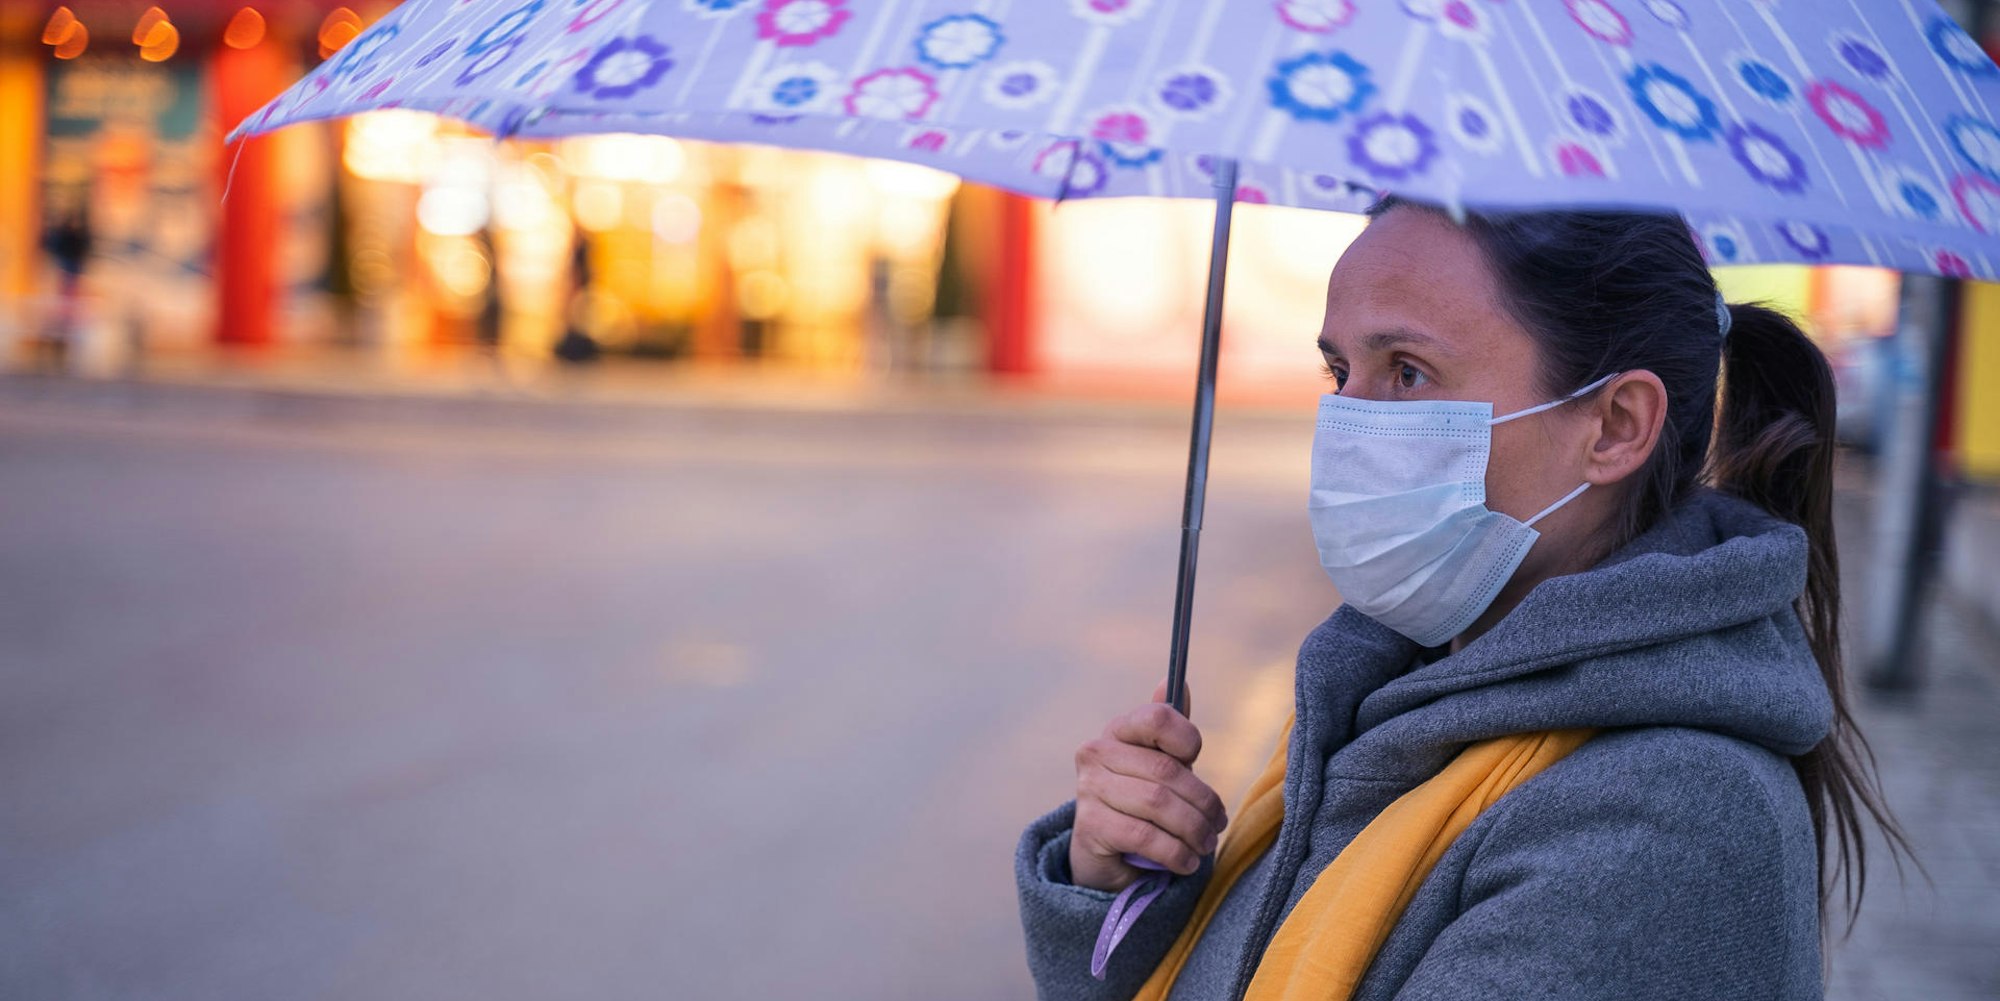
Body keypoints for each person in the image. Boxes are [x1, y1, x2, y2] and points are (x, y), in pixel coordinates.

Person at [1015, 200, 1911, 1001]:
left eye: (1407, 372)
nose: (1350, 425)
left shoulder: (1659, 819)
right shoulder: (1387, 698)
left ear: (1615, 426)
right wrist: (1117, 886)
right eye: (1340, 372)